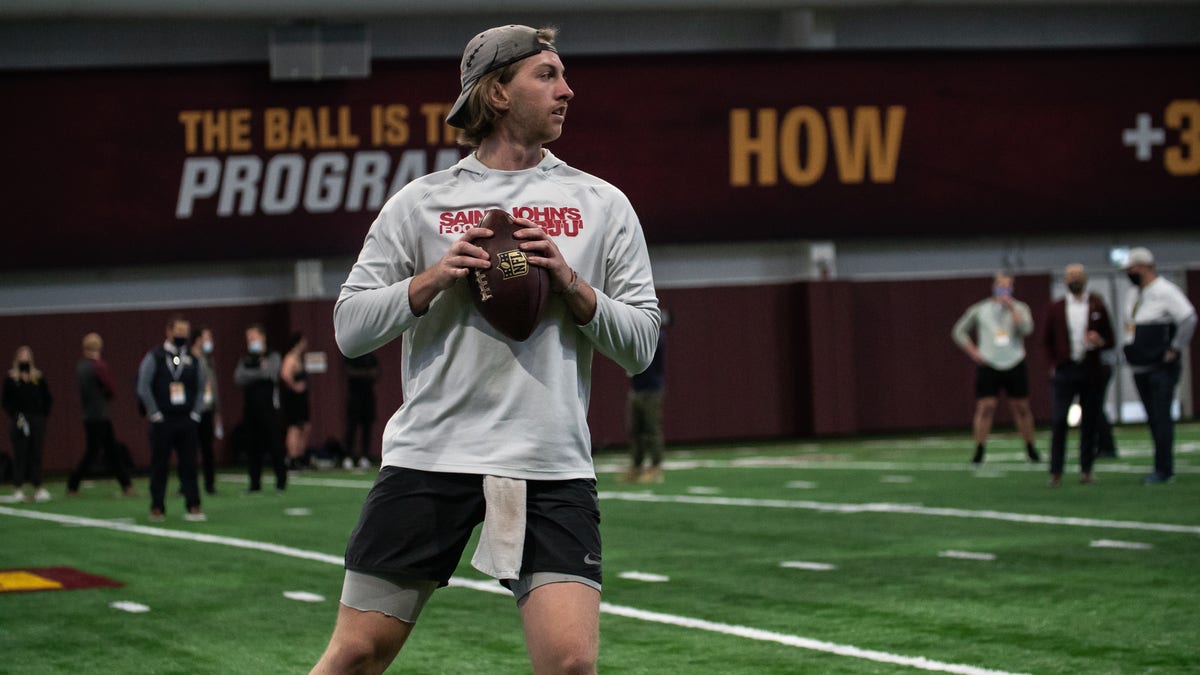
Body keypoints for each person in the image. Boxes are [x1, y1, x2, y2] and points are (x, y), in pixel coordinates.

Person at [311, 25, 660, 675]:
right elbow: (350, 328)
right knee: (356, 653)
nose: (568, 89)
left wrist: (570, 283)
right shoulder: (420, 204)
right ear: (498, 92)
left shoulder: (600, 204)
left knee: (570, 665)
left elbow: (642, 344)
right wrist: (433, 279)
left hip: (548, 460)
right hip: (433, 453)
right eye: (547, 75)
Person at [1120, 247, 1197, 484]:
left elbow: (1188, 318)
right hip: (1141, 366)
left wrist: (1174, 347)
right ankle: (1160, 465)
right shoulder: (1134, 294)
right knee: (1153, 418)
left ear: (1144, 267)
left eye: (1132, 268)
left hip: (1160, 367)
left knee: (1161, 417)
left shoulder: (1165, 291)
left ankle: (1164, 469)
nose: (1129, 273)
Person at [952, 272, 1040, 465]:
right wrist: (974, 352)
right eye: (1001, 285)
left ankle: (1030, 446)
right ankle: (979, 449)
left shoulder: (1020, 308)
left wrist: (1012, 310)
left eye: (1008, 285)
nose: (1004, 288)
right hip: (989, 363)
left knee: (1021, 407)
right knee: (986, 406)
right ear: (993, 286)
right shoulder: (981, 309)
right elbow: (958, 331)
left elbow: (1027, 330)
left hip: (1014, 361)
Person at [1040, 265, 1115, 486]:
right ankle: (1056, 471)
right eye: (1070, 276)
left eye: (1078, 276)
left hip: (1090, 368)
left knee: (1090, 421)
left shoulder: (1097, 304)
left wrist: (1099, 341)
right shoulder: (1055, 308)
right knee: (1059, 420)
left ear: (1085, 279)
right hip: (1065, 369)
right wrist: (1052, 364)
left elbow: (1110, 338)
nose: (1074, 279)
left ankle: (1086, 470)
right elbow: (1045, 341)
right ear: (1064, 280)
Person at [135, 315, 206, 522]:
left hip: (186, 419)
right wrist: (154, 412)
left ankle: (193, 504)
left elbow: (202, 388)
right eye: (179, 331)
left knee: (190, 464)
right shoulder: (155, 357)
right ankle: (157, 506)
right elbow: (143, 386)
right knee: (159, 464)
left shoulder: (193, 359)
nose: (182, 335)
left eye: (185, 332)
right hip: (163, 420)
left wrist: (196, 413)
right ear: (169, 331)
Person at [68, 333, 136, 497]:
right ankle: (73, 483)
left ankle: (125, 484)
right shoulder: (98, 366)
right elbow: (110, 387)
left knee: (107, 450)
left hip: (89, 414)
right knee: (97, 451)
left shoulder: (80, 366)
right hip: (100, 415)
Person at [234, 323, 287, 492]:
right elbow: (239, 377)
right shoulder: (246, 359)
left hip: (270, 409)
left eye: (253, 337)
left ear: (262, 337)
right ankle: (254, 483)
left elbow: (270, 373)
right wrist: (258, 371)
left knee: (275, 445)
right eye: (249, 338)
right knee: (252, 447)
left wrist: (254, 373)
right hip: (251, 410)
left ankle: (281, 481)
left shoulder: (273, 356)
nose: (251, 340)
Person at [621, 311, 668, 484]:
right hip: (636, 387)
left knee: (652, 429)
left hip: (651, 388)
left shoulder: (658, 336)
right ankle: (637, 465)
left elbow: (642, 355)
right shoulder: (639, 334)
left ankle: (656, 467)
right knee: (635, 429)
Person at [3, 346, 53, 503]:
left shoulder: (38, 377)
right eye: (21, 355)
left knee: (36, 453)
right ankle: (17, 487)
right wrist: (15, 415)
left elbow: (47, 398)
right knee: (20, 453)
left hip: (36, 419)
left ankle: (38, 486)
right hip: (20, 420)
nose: (24, 358)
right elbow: (6, 400)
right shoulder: (11, 378)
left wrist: (41, 414)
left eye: (27, 355)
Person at [190, 326, 223, 495]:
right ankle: (188, 484)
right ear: (198, 340)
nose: (209, 342)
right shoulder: (189, 359)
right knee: (190, 449)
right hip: (192, 411)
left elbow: (213, 387)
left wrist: (216, 409)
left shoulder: (208, 360)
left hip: (207, 409)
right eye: (206, 338)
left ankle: (210, 484)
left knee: (207, 449)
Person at [280, 331, 312, 471]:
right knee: (294, 427)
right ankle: (292, 458)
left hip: (302, 399)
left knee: (305, 427)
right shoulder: (291, 358)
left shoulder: (300, 358)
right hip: (293, 398)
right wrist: (295, 386)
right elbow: (285, 375)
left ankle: (299, 456)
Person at [342, 351, 379, 470]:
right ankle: (348, 456)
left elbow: (377, 372)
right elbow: (349, 372)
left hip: (368, 397)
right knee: (352, 427)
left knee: (367, 427)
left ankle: (365, 457)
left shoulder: (371, 356)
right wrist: (366, 374)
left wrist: (365, 374)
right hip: (354, 397)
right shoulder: (351, 354)